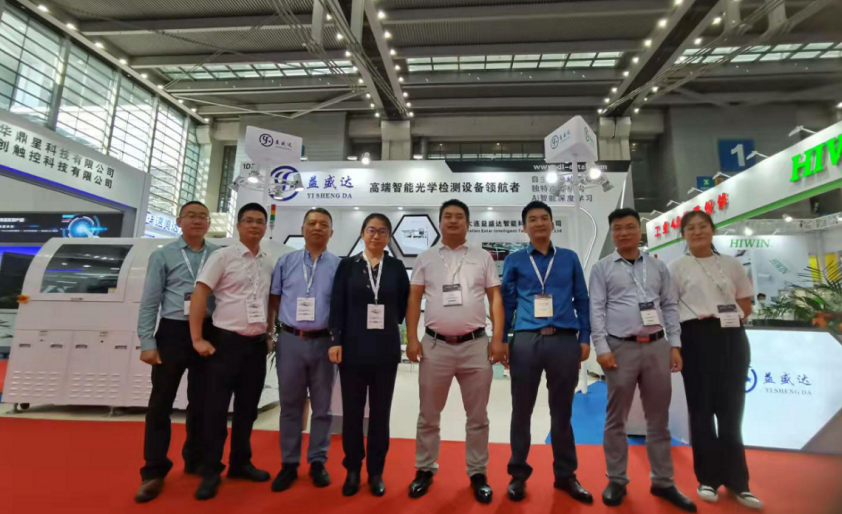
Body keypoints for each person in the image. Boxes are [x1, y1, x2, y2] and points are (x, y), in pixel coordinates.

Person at [589, 208, 696, 512]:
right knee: (616, 418)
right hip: (619, 348)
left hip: (657, 347)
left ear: (640, 230)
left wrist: (675, 345)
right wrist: (601, 347)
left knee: (658, 419)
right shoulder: (602, 268)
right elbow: (596, 309)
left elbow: (670, 306)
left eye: (630, 227)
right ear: (612, 233)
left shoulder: (658, 267)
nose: (624, 233)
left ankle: (663, 480)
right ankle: (616, 479)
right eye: (618, 228)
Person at [406, 199, 505, 504]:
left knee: (478, 417)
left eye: (458, 216)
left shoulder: (482, 257)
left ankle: (478, 473)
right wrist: (412, 338)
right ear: (439, 222)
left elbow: (495, 299)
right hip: (435, 346)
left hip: (476, 346)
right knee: (428, 415)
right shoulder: (425, 258)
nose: (452, 221)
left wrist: (497, 339)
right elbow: (414, 299)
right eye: (447, 216)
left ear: (468, 223)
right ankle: (425, 468)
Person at [500, 201, 592, 503]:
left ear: (553, 224)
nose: (539, 223)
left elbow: (582, 299)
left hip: (564, 341)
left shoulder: (569, 258)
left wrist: (585, 337)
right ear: (524, 227)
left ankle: (565, 475)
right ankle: (517, 475)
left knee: (562, 411)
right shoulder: (514, 260)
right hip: (526, 340)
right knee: (521, 410)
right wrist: (502, 339)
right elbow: (507, 303)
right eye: (532, 219)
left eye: (544, 218)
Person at [669, 211, 762, 510]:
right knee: (701, 411)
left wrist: (730, 318)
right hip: (695, 338)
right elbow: (669, 309)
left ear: (712, 230)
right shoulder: (677, 267)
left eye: (702, 227)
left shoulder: (732, 264)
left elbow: (745, 303)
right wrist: (674, 347)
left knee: (732, 411)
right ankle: (707, 478)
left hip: (732, 338)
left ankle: (739, 482)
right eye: (691, 228)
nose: (697, 232)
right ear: (683, 234)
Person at [189, 202, 275, 500]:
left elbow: (269, 303)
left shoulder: (267, 263)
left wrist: (269, 333)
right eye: (249, 220)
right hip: (225, 344)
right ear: (238, 225)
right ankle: (211, 470)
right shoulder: (222, 256)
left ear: (265, 227)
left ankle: (240, 463)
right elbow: (200, 294)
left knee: (247, 410)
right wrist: (197, 338)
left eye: (260, 221)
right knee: (216, 410)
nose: (254, 226)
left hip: (255, 347)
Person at [134, 201, 219, 503]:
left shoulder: (218, 255)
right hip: (172, 332)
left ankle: (196, 459)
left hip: (208, 331)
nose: (197, 221)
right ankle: (154, 471)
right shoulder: (163, 255)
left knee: (203, 401)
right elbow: (149, 301)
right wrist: (147, 342)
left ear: (209, 223)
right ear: (179, 221)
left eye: (202, 216)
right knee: (161, 403)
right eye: (191, 216)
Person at [328, 214, 410, 497]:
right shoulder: (348, 266)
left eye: (382, 231)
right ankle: (352, 469)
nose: (376, 236)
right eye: (371, 230)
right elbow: (337, 304)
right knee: (352, 413)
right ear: (362, 234)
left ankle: (376, 471)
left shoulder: (396, 268)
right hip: (352, 349)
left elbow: (403, 305)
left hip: (385, 350)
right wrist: (336, 340)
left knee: (380, 414)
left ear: (389, 237)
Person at [267, 208, 340, 492]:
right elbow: (275, 299)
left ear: (331, 232)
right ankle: (288, 463)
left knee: (322, 407)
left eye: (323, 224)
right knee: (290, 405)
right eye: (312, 223)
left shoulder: (339, 266)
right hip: (291, 341)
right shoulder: (286, 262)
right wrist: (277, 329)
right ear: (303, 229)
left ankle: (318, 461)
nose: (317, 227)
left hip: (324, 342)